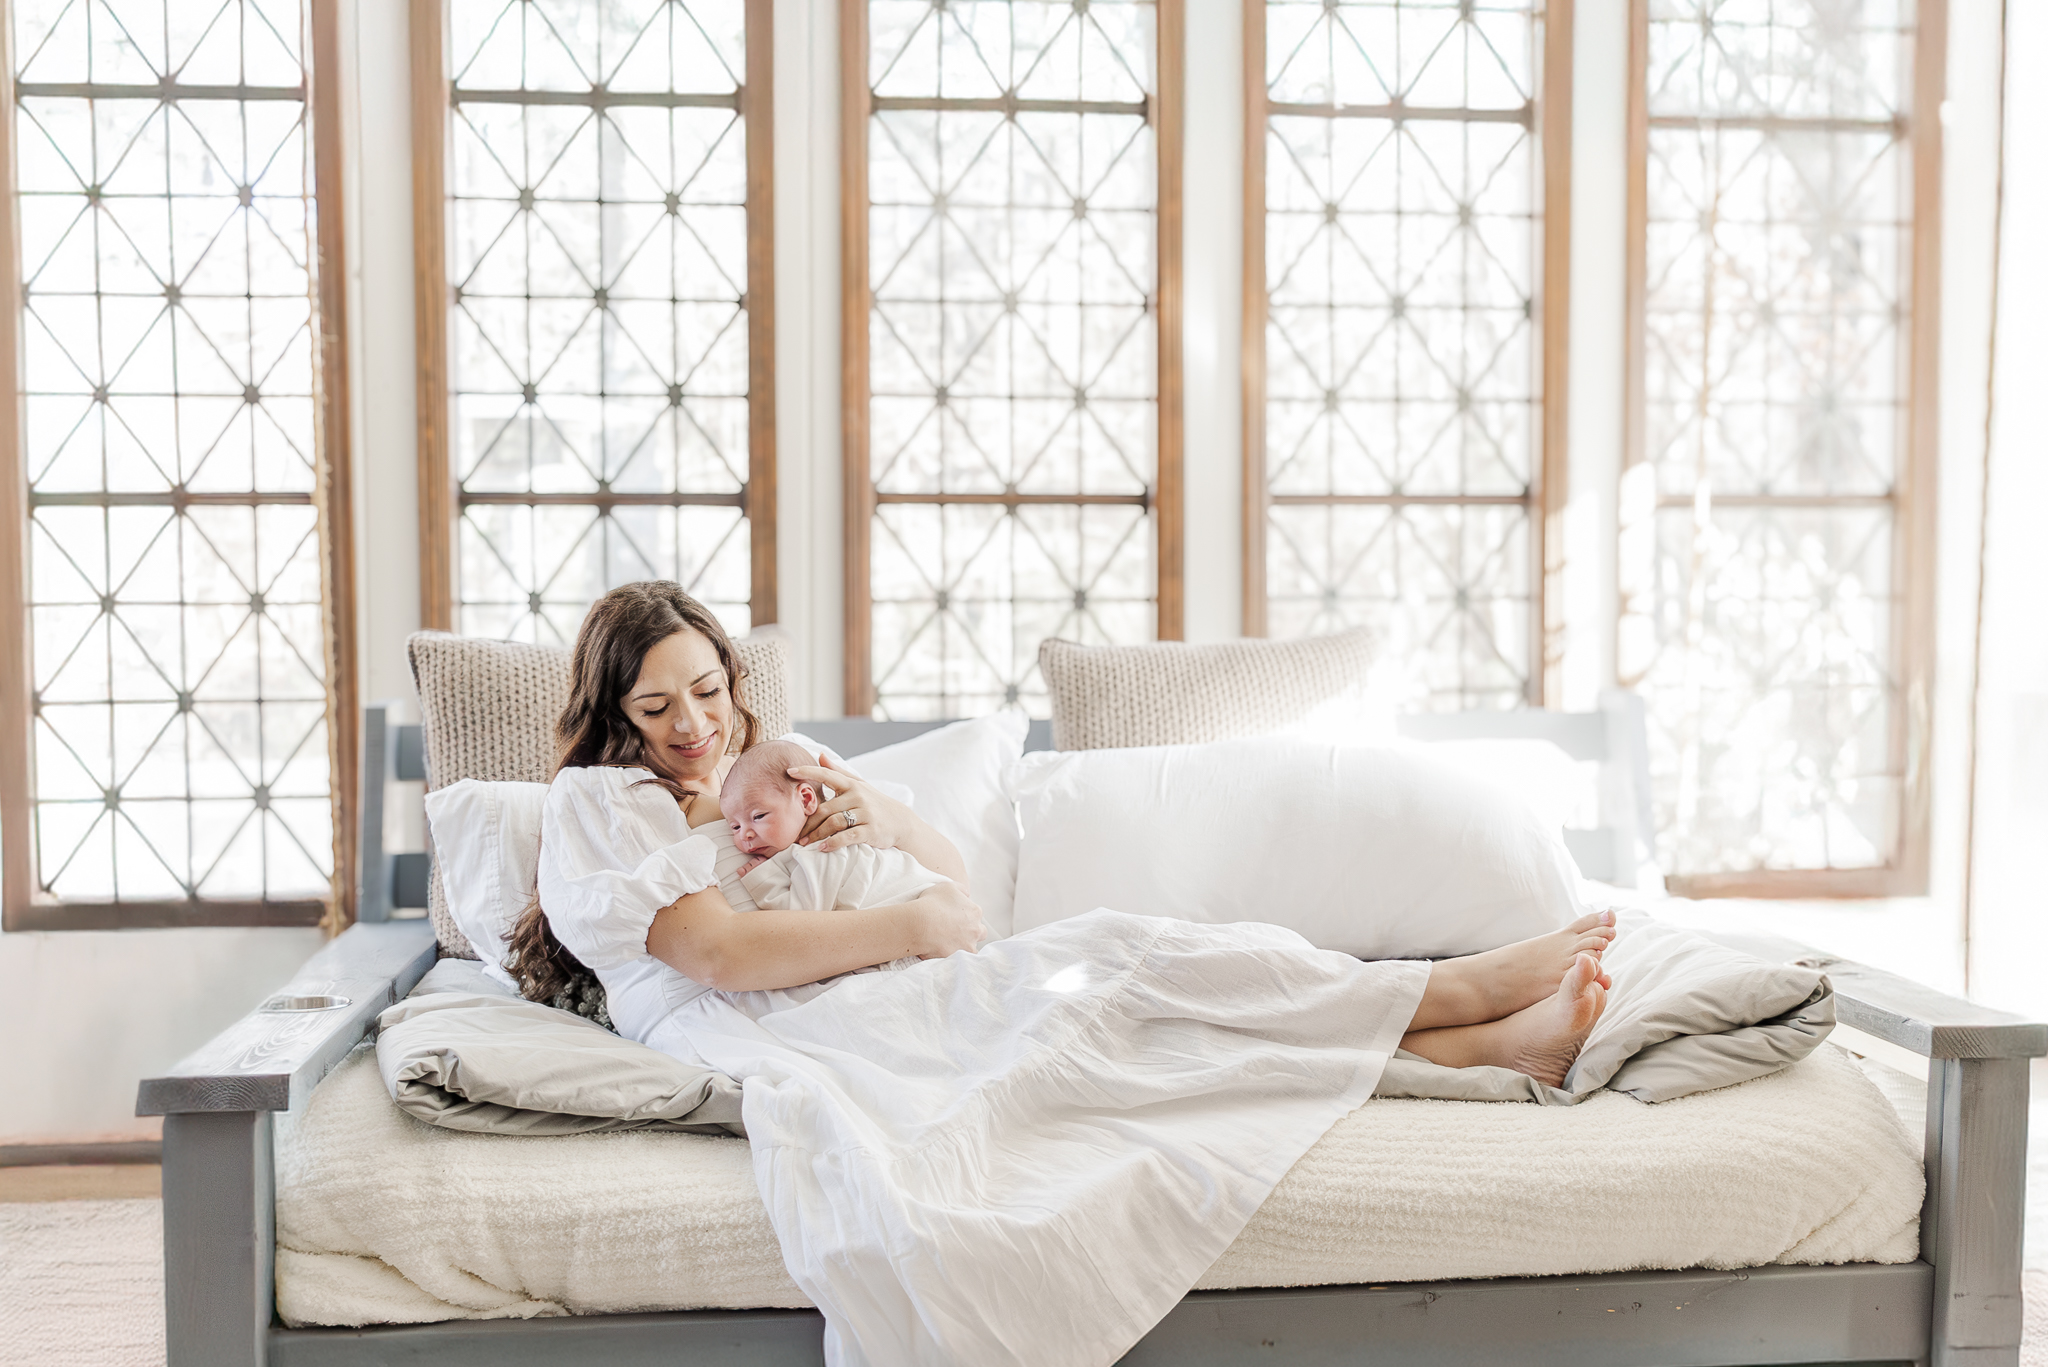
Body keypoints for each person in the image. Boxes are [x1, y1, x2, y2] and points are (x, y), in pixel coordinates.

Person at [509, 581, 1616, 1367]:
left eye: (706, 690)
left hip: (859, 987)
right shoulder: (600, 805)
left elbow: (949, 890)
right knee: (1120, 972)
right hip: (761, 1019)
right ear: (613, 715)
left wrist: (878, 817)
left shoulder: (770, 774)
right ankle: (1455, 998)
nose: (694, 725)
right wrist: (914, 927)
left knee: (1130, 977)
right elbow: (717, 952)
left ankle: (1463, 1030)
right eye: (657, 709)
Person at [720, 738, 941, 973]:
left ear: (806, 799)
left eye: (758, 816)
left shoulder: (823, 849)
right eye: (734, 827)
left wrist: (764, 882)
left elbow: (803, 922)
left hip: (917, 949)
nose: (746, 834)